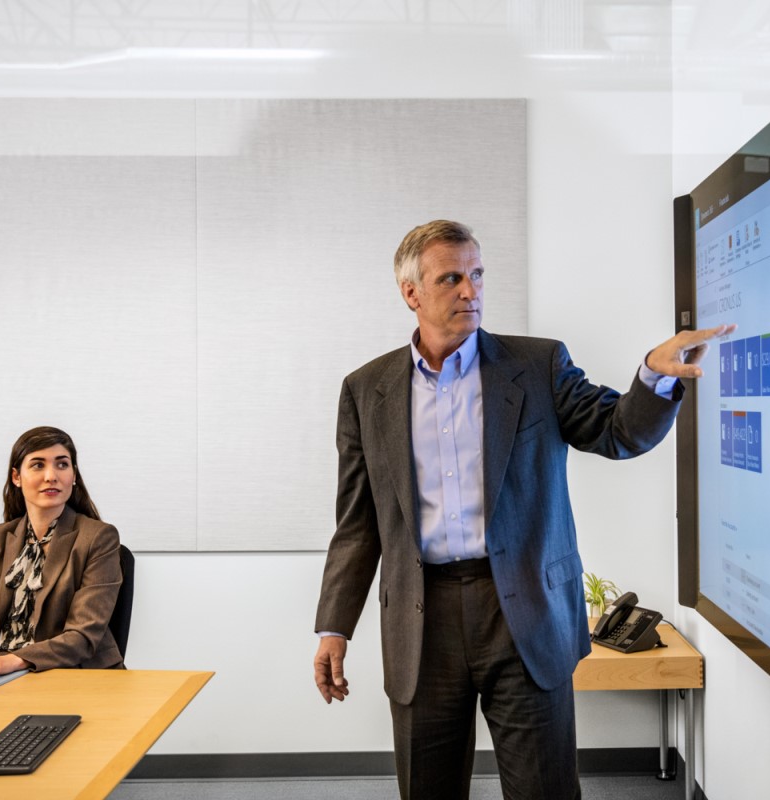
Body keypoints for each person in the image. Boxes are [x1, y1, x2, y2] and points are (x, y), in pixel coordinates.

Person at [313, 220, 734, 799]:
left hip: (523, 611)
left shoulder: (537, 366)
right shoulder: (367, 390)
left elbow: (616, 432)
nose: (471, 291)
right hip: (420, 616)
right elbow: (357, 525)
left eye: (478, 275)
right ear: (411, 293)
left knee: (546, 791)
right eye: (452, 278)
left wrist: (651, 379)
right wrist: (334, 627)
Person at [0, 426, 124, 680]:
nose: (51, 476)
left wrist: (14, 661)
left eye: (62, 465)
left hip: (66, 673)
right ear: (16, 477)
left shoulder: (98, 538)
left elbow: (83, 635)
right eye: (37, 465)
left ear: (74, 475)